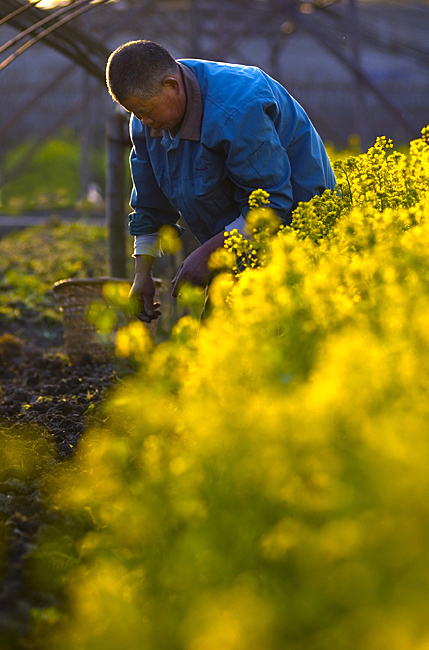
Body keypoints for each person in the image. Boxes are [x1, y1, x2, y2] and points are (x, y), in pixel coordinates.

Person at [105, 40, 336, 323]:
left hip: (297, 230)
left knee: (278, 331)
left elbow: (271, 203)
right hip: (235, 235)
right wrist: (143, 274)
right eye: (135, 113)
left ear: (172, 86)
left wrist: (207, 254)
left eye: (147, 110)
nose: (143, 120)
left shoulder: (236, 110)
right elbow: (149, 203)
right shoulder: (145, 121)